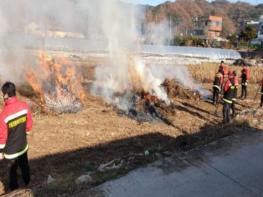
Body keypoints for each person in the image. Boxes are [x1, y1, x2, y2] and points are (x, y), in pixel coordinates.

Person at [0, 82, 33, 191]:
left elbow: (2, 136)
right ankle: (28, 182)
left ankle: (14, 190)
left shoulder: (4, 114)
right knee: (24, 166)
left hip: (10, 152)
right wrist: (25, 134)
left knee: (12, 172)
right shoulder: (24, 106)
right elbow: (29, 124)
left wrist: (1, 151)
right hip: (23, 146)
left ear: (6, 95)